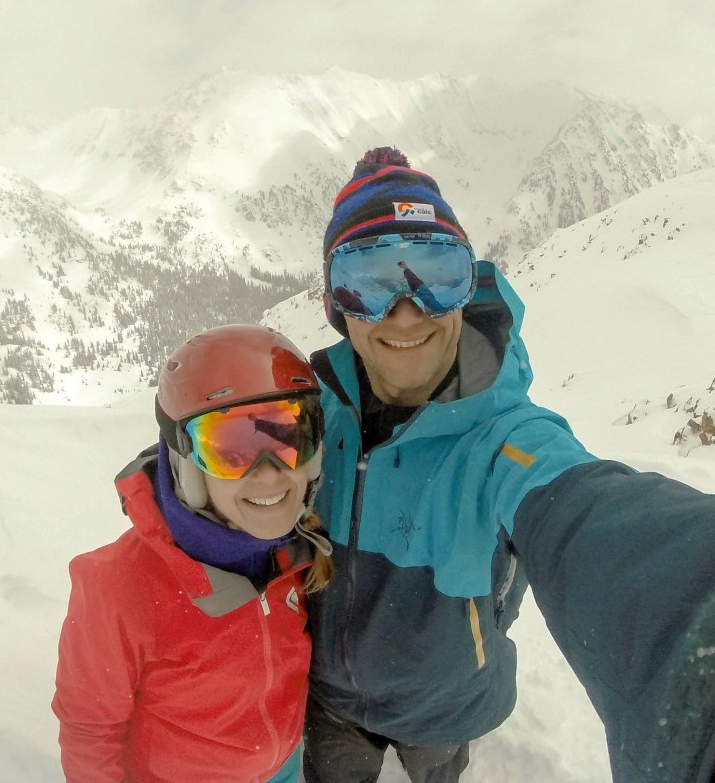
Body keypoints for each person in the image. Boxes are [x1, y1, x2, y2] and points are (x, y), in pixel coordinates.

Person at [303, 147, 715, 783]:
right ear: (338, 304)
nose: (407, 309)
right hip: (330, 704)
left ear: (469, 288)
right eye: (371, 277)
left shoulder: (510, 443)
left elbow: (599, 523)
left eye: (436, 271)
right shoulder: (305, 419)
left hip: (447, 711)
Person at [52, 324, 334, 783]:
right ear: (186, 467)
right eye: (230, 450)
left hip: (282, 767)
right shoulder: (116, 587)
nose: (268, 475)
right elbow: (90, 729)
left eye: (287, 438)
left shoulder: (297, 553)